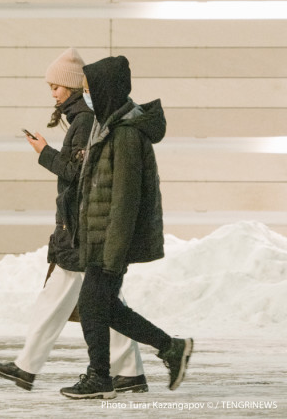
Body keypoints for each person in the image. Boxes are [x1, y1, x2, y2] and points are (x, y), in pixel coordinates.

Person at [0, 48, 147, 394]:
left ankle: (26, 368)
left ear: (73, 87)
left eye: (57, 85)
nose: (53, 92)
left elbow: (77, 174)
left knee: (60, 299)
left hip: (79, 229)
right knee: (104, 303)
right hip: (79, 226)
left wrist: (44, 152)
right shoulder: (79, 120)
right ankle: (131, 372)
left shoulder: (85, 121)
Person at [60, 55, 193, 400]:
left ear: (104, 91)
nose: (85, 96)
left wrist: (113, 254)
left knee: (92, 306)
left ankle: (100, 377)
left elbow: (125, 200)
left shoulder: (127, 136)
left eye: (88, 89)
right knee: (103, 307)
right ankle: (170, 348)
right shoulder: (109, 129)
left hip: (110, 242)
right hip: (101, 239)